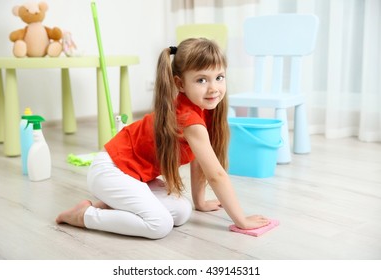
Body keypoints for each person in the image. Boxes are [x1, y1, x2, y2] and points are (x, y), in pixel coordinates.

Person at [56, 38, 270, 239]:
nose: (213, 87)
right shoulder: (188, 118)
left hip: (137, 176)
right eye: (202, 80)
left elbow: (199, 162)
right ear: (180, 84)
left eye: (219, 77)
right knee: (159, 225)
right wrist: (241, 220)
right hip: (111, 170)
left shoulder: (205, 109)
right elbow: (216, 175)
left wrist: (200, 202)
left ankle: (110, 205)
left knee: (183, 211)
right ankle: (84, 216)